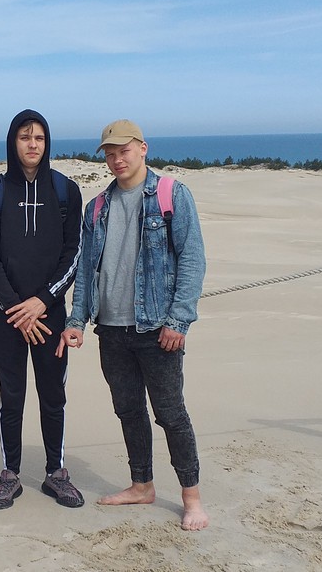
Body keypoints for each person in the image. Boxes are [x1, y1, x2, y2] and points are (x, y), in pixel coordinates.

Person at [57, 119, 209, 531]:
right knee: (128, 411)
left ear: (143, 148)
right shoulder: (97, 207)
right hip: (111, 329)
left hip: (157, 328)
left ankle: (192, 498)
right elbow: (87, 271)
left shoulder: (171, 194)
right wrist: (77, 320)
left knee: (170, 414)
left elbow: (192, 259)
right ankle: (142, 485)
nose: (116, 160)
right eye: (109, 153)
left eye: (123, 151)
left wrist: (179, 320)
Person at [0, 109, 84, 510]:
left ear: (47, 142)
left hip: (49, 314)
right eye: (25, 137)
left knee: (53, 394)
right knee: (12, 395)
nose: (32, 144)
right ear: (13, 142)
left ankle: (56, 472)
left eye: (38, 137)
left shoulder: (66, 191)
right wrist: (15, 309)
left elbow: (74, 252)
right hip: (7, 316)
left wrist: (42, 301)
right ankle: (10, 475)